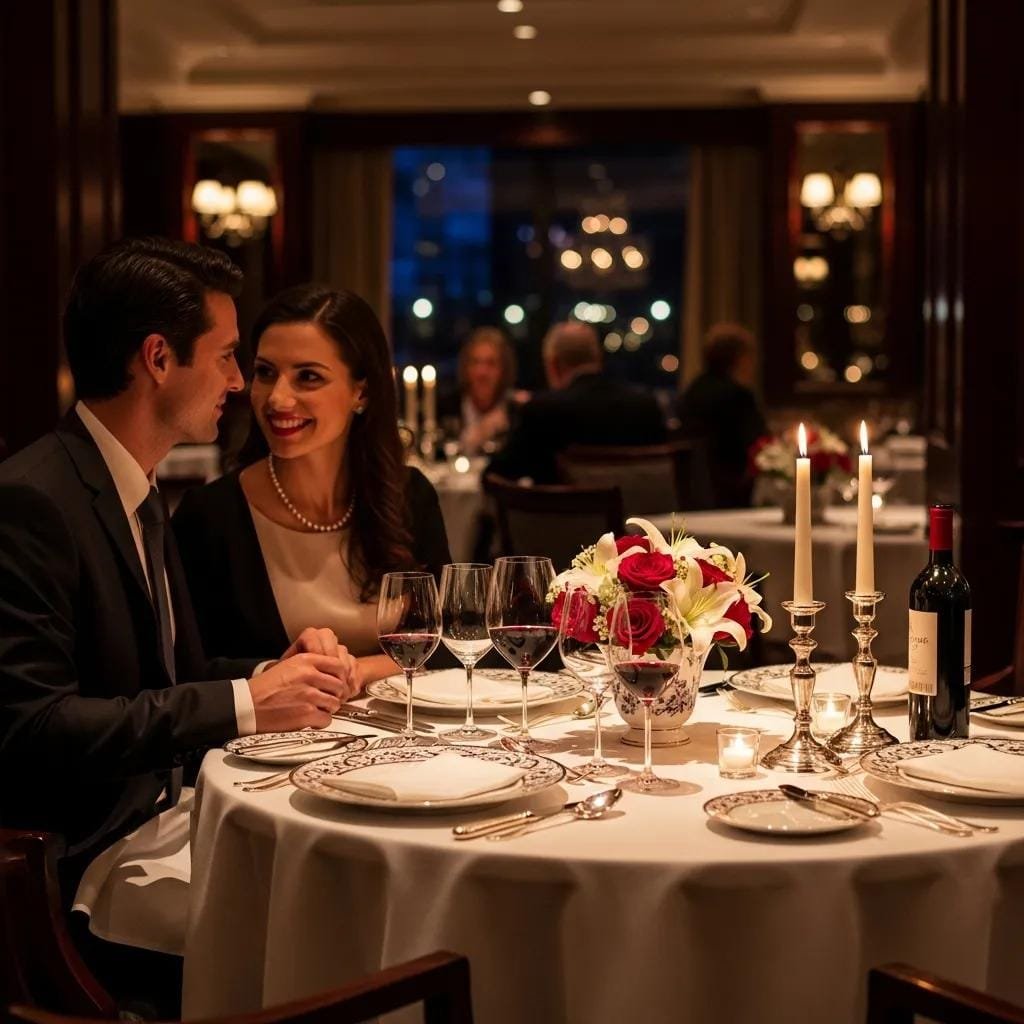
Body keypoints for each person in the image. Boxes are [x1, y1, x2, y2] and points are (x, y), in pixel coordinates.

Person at [0, 238, 360, 1011]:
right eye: (229, 357)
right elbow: (31, 727)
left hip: (168, 825)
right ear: (158, 359)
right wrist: (245, 705)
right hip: (86, 867)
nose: (241, 383)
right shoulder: (35, 502)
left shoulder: (135, 487)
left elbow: (170, 681)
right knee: (347, 932)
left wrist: (269, 673)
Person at [172, 284, 451, 684]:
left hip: (406, 738)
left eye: (308, 377)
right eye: (266, 373)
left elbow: (450, 644)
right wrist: (277, 673)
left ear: (362, 392)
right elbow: (189, 670)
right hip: (269, 743)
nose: (277, 399)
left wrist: (356, 672)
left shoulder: (409, 496)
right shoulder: (210, 516)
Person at [486, 320, 666, 484]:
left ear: (553, 365)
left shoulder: (542, 411)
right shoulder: (645, 406)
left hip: (559, 519)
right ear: (597, 358)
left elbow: (495, 476)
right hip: (636, 519)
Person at [675, 322, 766, 507]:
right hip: (732, 492)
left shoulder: (693, 390)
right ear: (740, 359)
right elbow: (758, 447)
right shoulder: (738, 396)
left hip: (692, 492)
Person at [439, 325, 517, 454]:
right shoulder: (445, 407)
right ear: (465, 367)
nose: (482, 372)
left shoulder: (515, 411)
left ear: (504, 370)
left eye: (491, 363)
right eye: (475, 362)